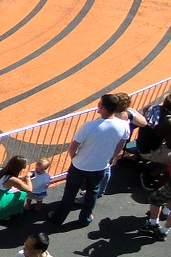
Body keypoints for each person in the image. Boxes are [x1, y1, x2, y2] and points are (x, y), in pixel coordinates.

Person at [48, 93, 131, 226]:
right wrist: (112, 157)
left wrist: (74, 157)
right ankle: (85, 219)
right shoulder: (123, 125)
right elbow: (121, 143)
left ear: (103, 108)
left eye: (100, 104)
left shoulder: (89, 126)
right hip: (100, 166)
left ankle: (58, 218)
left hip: (79, 165)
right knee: (92, 193)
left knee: (70, 192)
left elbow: (73, 146)